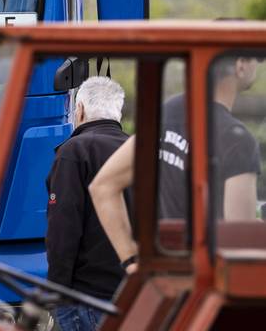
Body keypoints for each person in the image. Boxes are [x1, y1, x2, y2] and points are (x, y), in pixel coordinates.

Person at [90, 53, 261, 272]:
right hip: (206, 280)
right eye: (257, 59)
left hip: (164, 277)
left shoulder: (169, 112)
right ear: (241, 65)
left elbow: (103, 186)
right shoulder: (237, 138)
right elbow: (241, 243)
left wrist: (131, 261)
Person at [45, 75, 128, 331]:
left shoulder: (73, 152)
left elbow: (63, 228)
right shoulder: (137, 151)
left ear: (78, 110)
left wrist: (55, 291)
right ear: (119, 111)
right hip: (130, 293)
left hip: (87, 296)